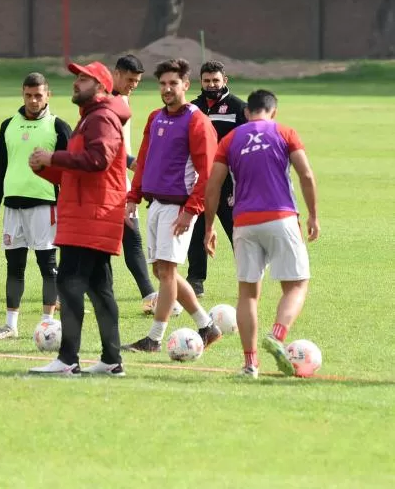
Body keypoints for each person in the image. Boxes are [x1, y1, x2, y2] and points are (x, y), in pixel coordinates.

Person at [203, 89, 319, 378]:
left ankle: (250, 364)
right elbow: (305, 174)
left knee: (248, 294)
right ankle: (277, 334)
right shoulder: (285, 132)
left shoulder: (230, 139)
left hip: (243, 222)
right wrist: (313, 215)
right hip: (281, 217)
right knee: (296, 285)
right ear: (273, 111)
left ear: (246, 113)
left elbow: (213, 184)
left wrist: (208, 228)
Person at [27, 61, 130, 377]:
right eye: (76, 78)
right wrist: (47, 168)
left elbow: (99, 160)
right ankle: (112, 360)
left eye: (83, 79)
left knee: (69, 283)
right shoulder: (91, 118)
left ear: (100, 86)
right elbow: (79, 171)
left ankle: (68, 359)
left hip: (91, 215)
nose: (76, 83)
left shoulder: (101, 118)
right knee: (100, 289)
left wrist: (53, 156)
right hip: (90, 213)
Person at [122, 58, 223, 354]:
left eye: (173, 83)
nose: (167, 89)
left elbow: (207, 174)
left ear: (186, 85)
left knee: (167, 273)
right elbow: (144, 161)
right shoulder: (155, 117)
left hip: (178, 208)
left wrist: (190, 211)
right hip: (155, 205)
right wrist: (133, 197)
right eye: (163, 84)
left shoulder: (197, 121)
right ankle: (207, 326)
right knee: (162, 272)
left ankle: (153, 338)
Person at [0, 72, 72, 338]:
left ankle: (47, 322)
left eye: (39, 95)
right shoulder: (8, 125)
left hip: (45, 206)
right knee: (14, 266)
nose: (34, 101)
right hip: (13, 206)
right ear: (22, 94)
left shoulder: (58, 127)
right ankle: (10, 325)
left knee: (47, 266)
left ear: (48, 95)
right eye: (28, 95)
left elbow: (70, 171)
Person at [187, 60, 248, 297]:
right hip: (199, 182)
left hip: (229, 183)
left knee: (237, 231)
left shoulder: (239, 108)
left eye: (216, 80)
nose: (211, 85)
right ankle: (196, 280)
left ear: (225, 81)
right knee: (197, 230)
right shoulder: (192, 108)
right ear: (200, 82)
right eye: (206, 81)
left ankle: (248, 278)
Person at [110, 55, 157, 306]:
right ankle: (149, 295)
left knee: (131, 237)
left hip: (121, 178)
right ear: (116, 74)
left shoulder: (123, 99)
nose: (133, 85)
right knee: (121, 238)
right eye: (130, 79)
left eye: (137, 81)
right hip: (106, 181)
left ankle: (149, 295)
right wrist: (133, 163)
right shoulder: (104, 101)